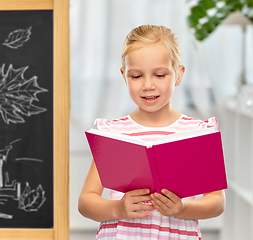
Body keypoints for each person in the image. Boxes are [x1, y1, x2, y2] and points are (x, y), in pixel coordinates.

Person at [78, 25, 225, 239]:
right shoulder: (113, 132)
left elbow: (217, 202)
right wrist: (117, 209)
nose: (148, 85)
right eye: (136, 76)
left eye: (159, 74)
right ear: (124, 76)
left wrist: (183, 208)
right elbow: (86, 201)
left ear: (178, 74)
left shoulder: (197, 133)